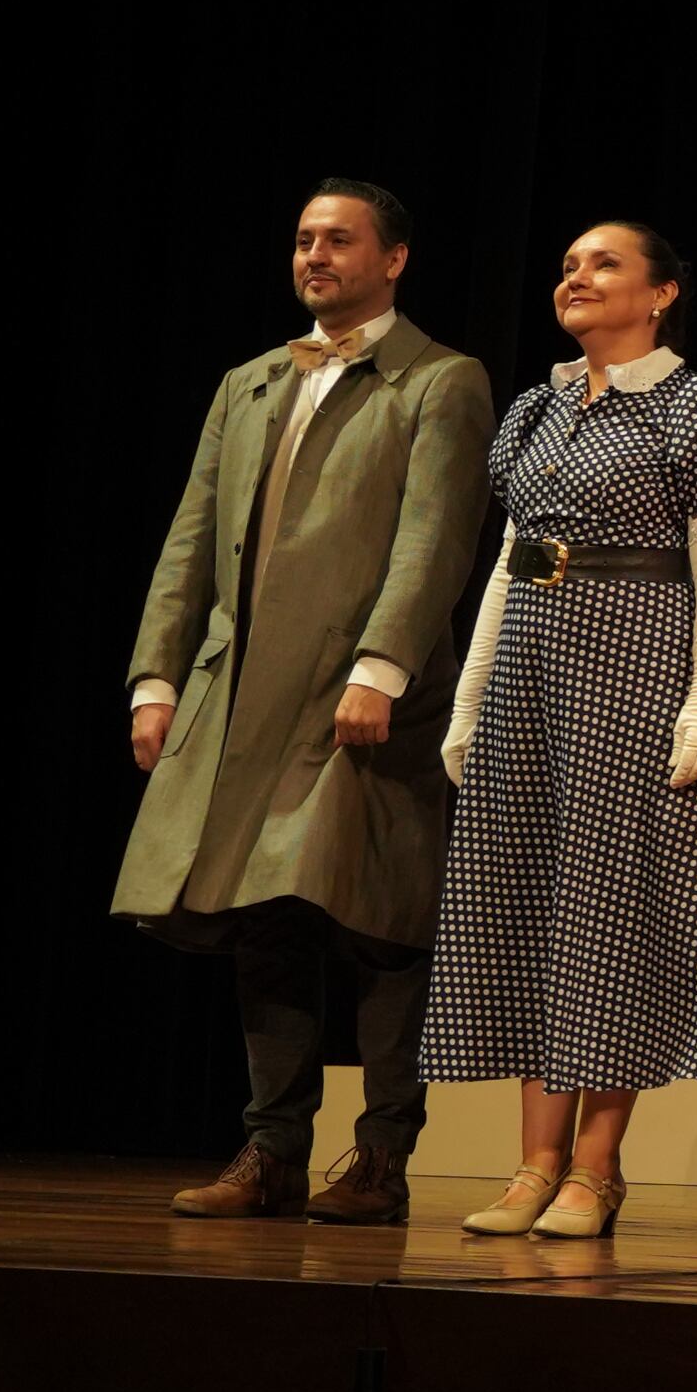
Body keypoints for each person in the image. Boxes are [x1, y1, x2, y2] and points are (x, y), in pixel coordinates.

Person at [120, 179, 493, 1222]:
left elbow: (435, 537)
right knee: (261, 920)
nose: (315, 255)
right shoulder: (249, 381)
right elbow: (191, 539)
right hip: (245, 693)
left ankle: (381, 1156)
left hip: (364, 692)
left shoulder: (439, 379)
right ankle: (272, 1147)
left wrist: (383, 666)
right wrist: (157, 676)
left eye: (338, 240)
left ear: (394, 259)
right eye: (302, 240)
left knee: (379, 918)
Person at [423, 222, 697, 1241]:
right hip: (533, 671)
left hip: (637, 663)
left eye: (605, 264)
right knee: (532, 899)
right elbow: (517, 562)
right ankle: (532, 1164)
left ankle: (595, 1167)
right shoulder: (537, 408)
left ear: (662, 293)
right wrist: (470, 695)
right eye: (569, 265)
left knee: (609, 911)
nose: (576, 277)